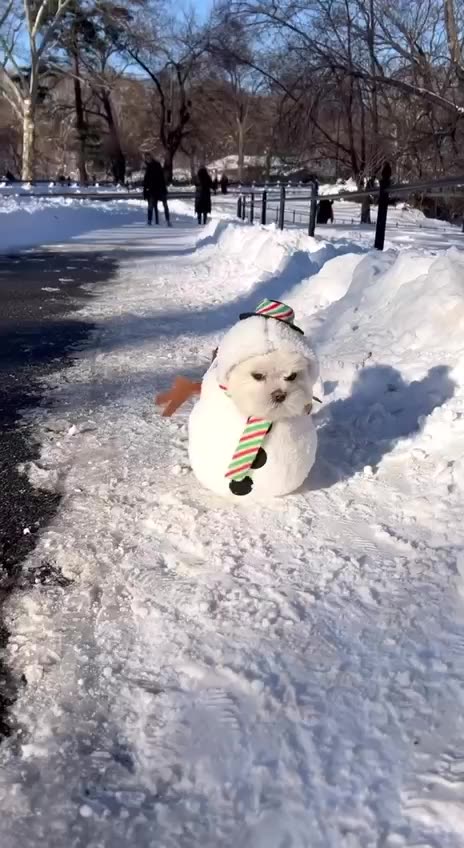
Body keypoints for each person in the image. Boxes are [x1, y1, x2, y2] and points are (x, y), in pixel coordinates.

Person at [143, 153, 171, 226]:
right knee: (162, 205)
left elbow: (147, 180)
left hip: (155, 189)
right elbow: (161, 178)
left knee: (152, 205)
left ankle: (150, 220)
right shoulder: (155, 166)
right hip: (157, 189)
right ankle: (166, 220)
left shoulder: (152, 166)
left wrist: (145, 190)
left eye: (147, 158)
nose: (147, 159)